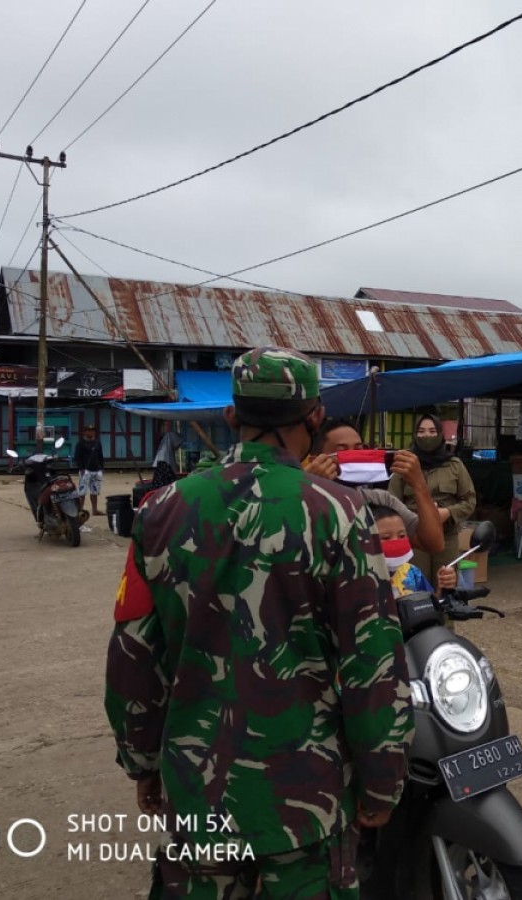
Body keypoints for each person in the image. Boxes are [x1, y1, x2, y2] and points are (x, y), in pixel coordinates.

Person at [105, 346, 413, 898]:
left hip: (198, 794)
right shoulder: (340, 513)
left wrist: (142, 761)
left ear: (231, 416)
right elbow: (372, 660)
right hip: (307, 801)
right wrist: (382, 779)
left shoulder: (163, 509)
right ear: (315, 417)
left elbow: (134, 654)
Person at [305, 417, 445, 554]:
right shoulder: (304, 501)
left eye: (359, 449)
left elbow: (434, 543)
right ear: (315, 460)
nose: (353, 456)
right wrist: (305, 485)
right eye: (342, 450)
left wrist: (419, 485)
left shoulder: (381, 501)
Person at [388, 414, 476, 587]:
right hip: (415, 538)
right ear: (414, 435)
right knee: (416, 586)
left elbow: (469, 501)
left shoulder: (454, 465)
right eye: (421, 432)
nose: (426, 436)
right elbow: (391, 503)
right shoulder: (405, 465)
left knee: (446, 584)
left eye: (432, 431)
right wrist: (413, 519)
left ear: (440, 435)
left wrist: (447, 513)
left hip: (447, 537)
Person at [371, 506, 457, 597]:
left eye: (402, 535)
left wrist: (443, 588)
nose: (396, 541)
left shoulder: (412, 572)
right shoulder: (360, 579)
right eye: (386, 537)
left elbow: (429, 605)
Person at [73, 424, 106, 516]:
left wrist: (102, 467)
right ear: (85, 432)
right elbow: (77, 457)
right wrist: (81, 468)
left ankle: (95, 510)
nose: (91, 432)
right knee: (82, 492)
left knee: (94, 492)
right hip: (85, 471)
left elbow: (100, 455)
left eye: (92, 430)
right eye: (88, 430)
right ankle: (80, 510)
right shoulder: (80, 443)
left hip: (97, 470)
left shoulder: (97, 442)